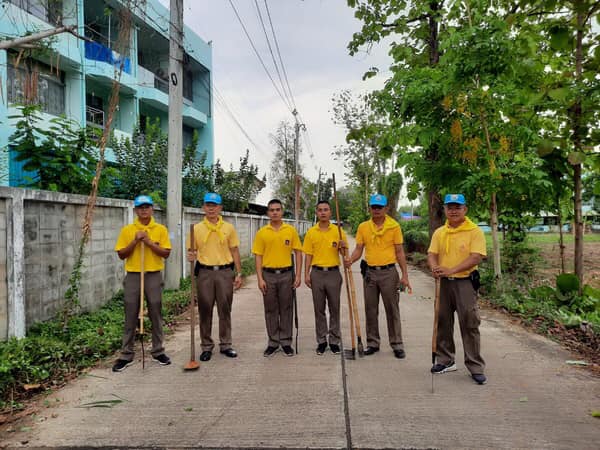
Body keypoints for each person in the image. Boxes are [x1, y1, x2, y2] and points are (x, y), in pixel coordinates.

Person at [427, 193, 487, 385]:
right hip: (443, 284)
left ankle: (475, 366)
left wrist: (451, 270)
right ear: (445, 209)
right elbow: (432, 254)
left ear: (465, 209)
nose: (453, 211)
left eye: (457, 207)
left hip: (465, 283)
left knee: (470, 323)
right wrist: (434, 268)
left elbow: (476, 257)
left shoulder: (474, 231)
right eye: (450, 207)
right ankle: (446, 360)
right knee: (443, 321)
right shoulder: (439, 232)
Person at [344, 193, 411, 359]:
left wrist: (405, 275)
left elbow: (399, 252)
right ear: (370, 209)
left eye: (380, 207)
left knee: (392, 309)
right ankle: (373, 343)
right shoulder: (363, 227)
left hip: (389, 273)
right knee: (370, 309)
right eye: (374, 207)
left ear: (386, 208)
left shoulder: (394, 226)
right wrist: (350, 260)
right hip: (370, 273)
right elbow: (359, 249)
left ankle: (397, 344)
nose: (376, 210)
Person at [112, 195, 172, 372]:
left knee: (155, 311)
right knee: (130, 312)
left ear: (152, 209)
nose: (144, 210)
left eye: (147, 207)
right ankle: (126, 354)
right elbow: (122, 254)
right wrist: (136, 240)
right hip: (133, 274)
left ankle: (158, 351)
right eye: (140, 207)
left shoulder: (160, 229)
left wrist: (148, 242)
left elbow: (166, 253)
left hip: (153, 274)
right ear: (136, 210)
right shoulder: (128, 230)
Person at [187, 193, 243, 362]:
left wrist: (239, 273)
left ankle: (226, 344)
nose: (211, 208)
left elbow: (234, 250)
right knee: (205, 309)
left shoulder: (228, 228)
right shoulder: (196, 229)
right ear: (203, 207)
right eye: (208, 205)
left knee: (225, 308)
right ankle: (206, 346)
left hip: (225, 272)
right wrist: (191, 255)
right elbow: (191, 251)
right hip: (204, 272)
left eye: (214, 205)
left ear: (220, 208)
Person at [252, 199, 302, 357]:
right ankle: (273, 342)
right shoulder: (262, 233)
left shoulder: (290, 230)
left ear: (282, 211)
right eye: (272, 210)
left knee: (286, 309)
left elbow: (298, 253)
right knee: (270, 309)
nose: (275, 212)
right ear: (268, 213)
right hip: (268, 275)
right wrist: (260, 278)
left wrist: (298, 275)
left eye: (277, 209)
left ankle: (286, 342)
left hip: (287, 274)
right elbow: (258, 256)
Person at [303, 200, 348, 355]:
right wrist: (306, 274)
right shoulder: (311, 232)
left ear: (330, 212)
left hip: (333, 273)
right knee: (319, 309)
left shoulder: (338, 231)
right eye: (320, 210)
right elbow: (308, 255)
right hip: (317, 273)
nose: (323, 212)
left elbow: (344, 254)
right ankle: (321, 340)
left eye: (326, 209)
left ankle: (334, 340)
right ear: (316, 213)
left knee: (334, 308)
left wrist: (343, 246)